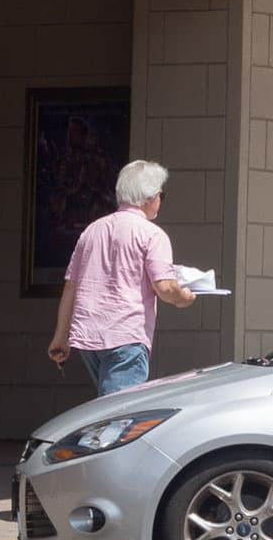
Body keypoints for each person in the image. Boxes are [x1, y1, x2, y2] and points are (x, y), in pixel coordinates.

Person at [48, 159, 196, 396]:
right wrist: (183, 297)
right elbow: (165, 287)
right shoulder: (152, 234)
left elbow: (70, 287)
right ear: (149, 197)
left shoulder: (91, 231)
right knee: (118, 418)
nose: (161, 200)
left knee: (107, 410)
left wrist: (60, 337)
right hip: (126, 336)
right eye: (161, 194)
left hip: (88, 337)